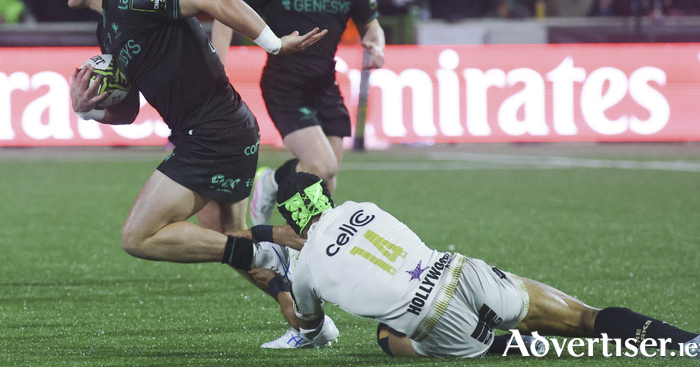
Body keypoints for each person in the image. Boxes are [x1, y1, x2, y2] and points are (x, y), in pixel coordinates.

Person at [52, 0, 326, 288]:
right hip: (217, 130)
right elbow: (130, 110)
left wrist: (272, 43)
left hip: (212, 132)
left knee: (140, 236)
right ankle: (307, 319)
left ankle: (276, 248)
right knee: (226, 238)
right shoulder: (107, 30)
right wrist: (87, 109)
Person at [247, 172, 700, 359]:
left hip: (432, 321)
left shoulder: (304, 267)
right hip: (460, 271)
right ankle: (686, 344)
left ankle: (501, 347)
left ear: (291, 219)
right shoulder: (361, 205)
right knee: (584, 317)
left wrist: (277, 284)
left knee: (386, 336)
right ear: (326, 195)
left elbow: (308, 327)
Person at [210, 0, 385, 224]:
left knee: (327, 181)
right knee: (322, 166)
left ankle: (312, 243)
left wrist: (377, 46)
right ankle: (272, 184)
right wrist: (218, 68)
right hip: (284, 83)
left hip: (325, 83)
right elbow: (224, 14)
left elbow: (371, 26)